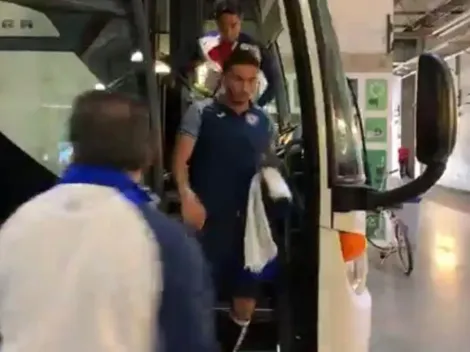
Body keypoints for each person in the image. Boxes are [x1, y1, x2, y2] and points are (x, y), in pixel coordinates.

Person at [0, 91, 218, 352]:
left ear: (73, 147)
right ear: (148, 154)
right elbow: (190, 342)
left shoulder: (18, 225)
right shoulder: (164, 241)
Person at [172, 48, 276, 350]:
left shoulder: (264, 121)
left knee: (245, 305)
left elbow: (266, 165)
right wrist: (186, 194)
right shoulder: (201, 112)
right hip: (208, 223)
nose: (244, 87)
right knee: (199, 299)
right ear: (225, 77)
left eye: (251, 81)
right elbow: (179, 162)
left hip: (248, 229)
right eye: (238, 79)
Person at [185, 0, 277, 107]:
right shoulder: (204, 46)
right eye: (223, 26)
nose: (228, 32)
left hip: (242, 112)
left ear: (240, 20)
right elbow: (183, 67)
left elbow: (274, 84)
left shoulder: (256, 50)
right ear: (217, 24)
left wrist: (256, 107)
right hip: (212, 109)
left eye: (233, 25)